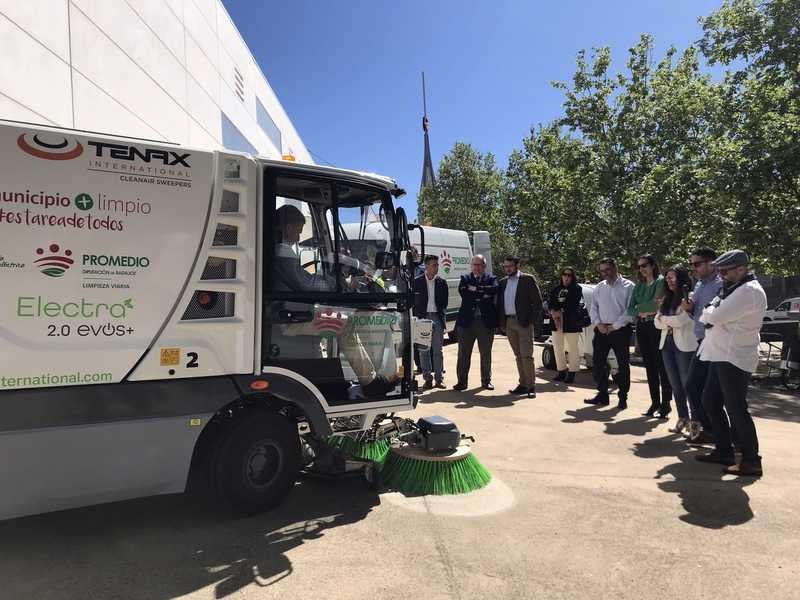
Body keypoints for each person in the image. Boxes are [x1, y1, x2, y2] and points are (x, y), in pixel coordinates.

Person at [274, 205, 398, 396]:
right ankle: (370, 381)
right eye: (298, 232)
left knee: (335, 320)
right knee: (345, 323)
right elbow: (305, 284)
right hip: (286, 318)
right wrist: (337, 284)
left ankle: (335, 378)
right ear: (288, 227)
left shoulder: (275, 249)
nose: (299, 238)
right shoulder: (281, 250)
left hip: (284, 311)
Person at [694, 249, 766, 477]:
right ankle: (724, 450)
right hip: (719, 354)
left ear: (741, 270)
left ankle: (751, 460)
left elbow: (712, 316)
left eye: (724, 271)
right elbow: (709, 311)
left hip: (733, 357)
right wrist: (710, 312)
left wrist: (710, 313)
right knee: (710, 401)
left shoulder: (748, 291)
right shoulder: (732, 288)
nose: (721, 276)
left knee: (736, 409)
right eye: (719, 271)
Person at [681, 247, 722, 443]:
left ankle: (727, 437)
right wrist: (689, 309)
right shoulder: (698, 285)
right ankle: (711, 430)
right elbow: (697, 314)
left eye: (697, 264)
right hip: (701, 343)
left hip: (716, 344)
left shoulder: (720, 284)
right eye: (691, 264)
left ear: (711, 264)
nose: (693, 268)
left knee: (717, 395)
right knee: (692, 386)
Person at [584, 258, 634, 409]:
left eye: (608, 270)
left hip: (620, 331)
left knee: (623, 364)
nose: (605, 274)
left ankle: (623, 397)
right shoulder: (600, 287)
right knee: (598, 363)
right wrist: (599, 324)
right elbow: (594, 307)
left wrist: (615, 326)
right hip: (601, 330)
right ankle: (602, 395)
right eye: (602, 271)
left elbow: (630, 309)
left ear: (615, 268)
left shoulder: (628, 286)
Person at [627, 254, 672, 418]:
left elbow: (657, 304)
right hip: (642, 325)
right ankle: (655, 402)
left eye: (644, 265)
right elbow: (630, 308)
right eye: (639, 266)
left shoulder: (661, 281)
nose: (641, 269)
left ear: (653, 265)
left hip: (656, 326)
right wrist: (643, 309)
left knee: (661, 366)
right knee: (650, 367)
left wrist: (642, 308)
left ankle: (666, 404)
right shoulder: (639, 285)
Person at [654, 265, 697, 434]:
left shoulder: (689, 297)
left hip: (684, 346)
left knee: (688, 385)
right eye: (667, 278)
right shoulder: (667, 299)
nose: (669, 281)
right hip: (667, 343)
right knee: (676, 385)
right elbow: (656, 323)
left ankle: (695, 423)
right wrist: (668, 320)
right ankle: (682, 419)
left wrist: (665, 320)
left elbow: (683, 320)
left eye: (673, 277)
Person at [497, 255, 542, 398]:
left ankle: (531, 386)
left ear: (518, 265)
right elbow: (499, 304)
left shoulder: (527, 279)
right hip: (509, 323)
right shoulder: (502, 283)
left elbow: (538, 302)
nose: (507, 268)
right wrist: (502, 323)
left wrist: (531, 321)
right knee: (518, 356)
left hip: (524, 323)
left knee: (526, 355)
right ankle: (523, 384)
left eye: (510, 266)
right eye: (505, 266)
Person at [453, 254, 499, 391]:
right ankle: (462, 381)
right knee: (463, 353)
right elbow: (464, 293)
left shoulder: (491, 279)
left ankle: (486, 380)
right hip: (467, 322)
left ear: (484, 265)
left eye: (479, 265)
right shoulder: (465, 278)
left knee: (485, 352)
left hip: (485, 322)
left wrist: (476, 290)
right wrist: (483, 295)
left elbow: (494, 290)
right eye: (474, 264)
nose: (476, 267)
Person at [411, 254, 449, 389]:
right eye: (434, 265)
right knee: (423, 351)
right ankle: (427, 378)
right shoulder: (416, 282)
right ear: (426, 266)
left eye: (438, 265)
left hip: (437, 318)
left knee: (438, 350)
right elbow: (413, 302)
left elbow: (445, 302)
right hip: (422, 318)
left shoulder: (442, 282)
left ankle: (439, 378)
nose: (437, 267)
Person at [548, 266, 584, 384]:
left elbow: (573, 303)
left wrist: (560, 311)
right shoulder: (556, 288)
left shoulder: (576, 289)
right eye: (564, 274)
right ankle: (561, 370)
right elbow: (551, 302)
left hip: (571, 320)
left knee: (572, 346)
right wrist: (554, 314)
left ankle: (572, 372)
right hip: (556, 319)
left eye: (569, 275)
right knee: (557, 346)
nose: (566, 277)